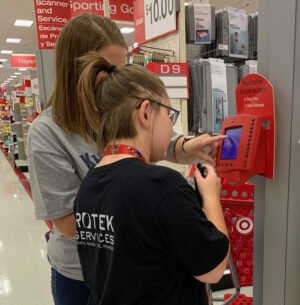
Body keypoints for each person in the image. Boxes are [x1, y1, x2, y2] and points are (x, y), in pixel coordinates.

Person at [28, 13, 226, 305]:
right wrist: (200, 202)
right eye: (111, 71)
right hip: (83, 274)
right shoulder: (46, 132)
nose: (120, 81)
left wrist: (187, 146)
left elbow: (157, 144)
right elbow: (68, 223)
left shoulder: (105, 172)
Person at [75, 52, 229, 305]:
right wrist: (211, 196)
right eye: (170, 116)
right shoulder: (162, 185)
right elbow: (212, 269)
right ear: (146, 113)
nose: (171, 128)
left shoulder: (89, 185)